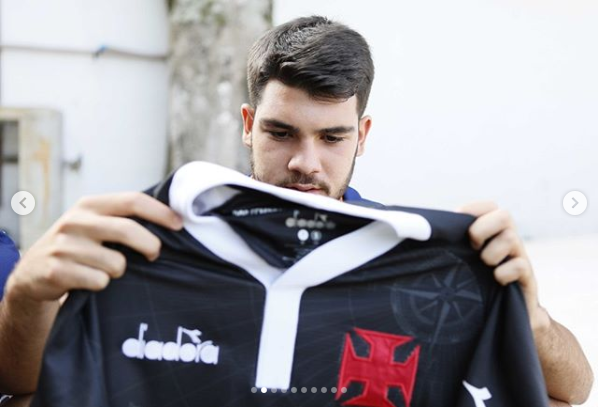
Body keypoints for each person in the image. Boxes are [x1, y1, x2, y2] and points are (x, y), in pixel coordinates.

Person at [0, 16, 593, 407]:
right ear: (248, 125)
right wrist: (28, 296)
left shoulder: (421, 263)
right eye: (281, 132)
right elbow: (26, 389)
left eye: (332, 138)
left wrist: (529, 318)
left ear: (362, 136)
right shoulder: (155, 238)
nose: (305, 163)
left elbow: (573, 391)